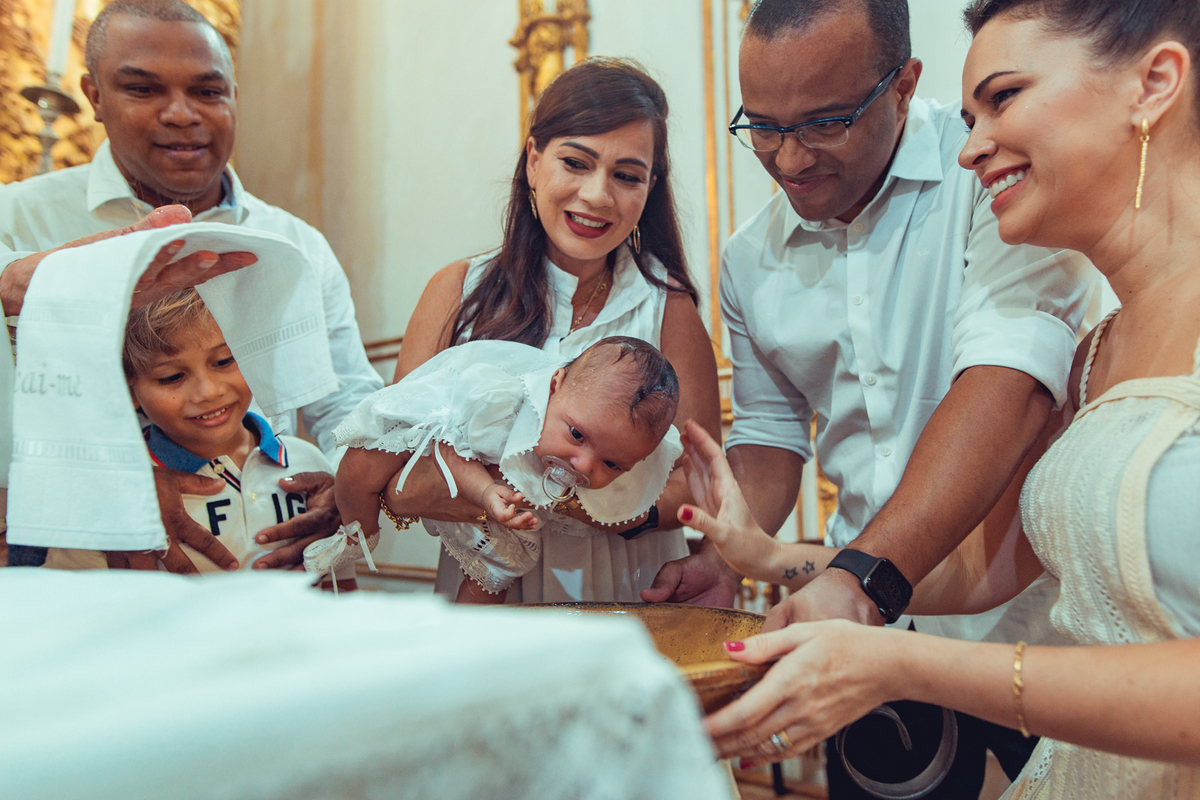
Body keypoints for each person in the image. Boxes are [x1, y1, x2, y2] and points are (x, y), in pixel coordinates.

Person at [693, 0, 1200, 796]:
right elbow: (985, 564)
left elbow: (1005, 382)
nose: (970, 149)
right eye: (762, 126)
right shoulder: (1099, 356)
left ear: (1155, 83)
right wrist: (787, 565)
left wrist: (891, 646)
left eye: (1005, 98)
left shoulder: (1001, 218)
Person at [0, 0, 383, 572]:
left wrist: (344, 488)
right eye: (143, 89)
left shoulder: (294, 244)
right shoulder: (17, 220)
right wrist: (116, 478)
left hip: (265, 562)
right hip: (81, 571)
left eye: (207, 91)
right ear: (94, 95)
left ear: (234, 96)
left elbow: (346, 404)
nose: (181, 114)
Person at [383, 57, 721, 603]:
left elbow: (699, 483)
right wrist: (506, 491)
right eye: (576, 162)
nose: (598, 195)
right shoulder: (456, 291)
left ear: (650, 187)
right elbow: (397, 469)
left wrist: (555, 493)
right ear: (534, 161)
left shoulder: (668, 309)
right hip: (483, 602)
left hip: (628, 593)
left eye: (627, 175)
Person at [336, 336, 682, 604]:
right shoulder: (502, 406)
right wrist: (485, 491)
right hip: (445, 460)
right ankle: (355, 534)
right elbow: (449, 445)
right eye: (577, 435)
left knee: (497, 573)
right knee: (364, 460)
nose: (583, 465)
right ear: (554, 386)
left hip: (509, 518)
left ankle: (466, 644)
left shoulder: (593, 430)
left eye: (612, 464)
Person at [123, 287, 358, 587]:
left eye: (224, 361)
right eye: (172, 377)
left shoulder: (309, 463)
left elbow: (339, 583)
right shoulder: (126, 486)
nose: (209, 392)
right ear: (129, 390)